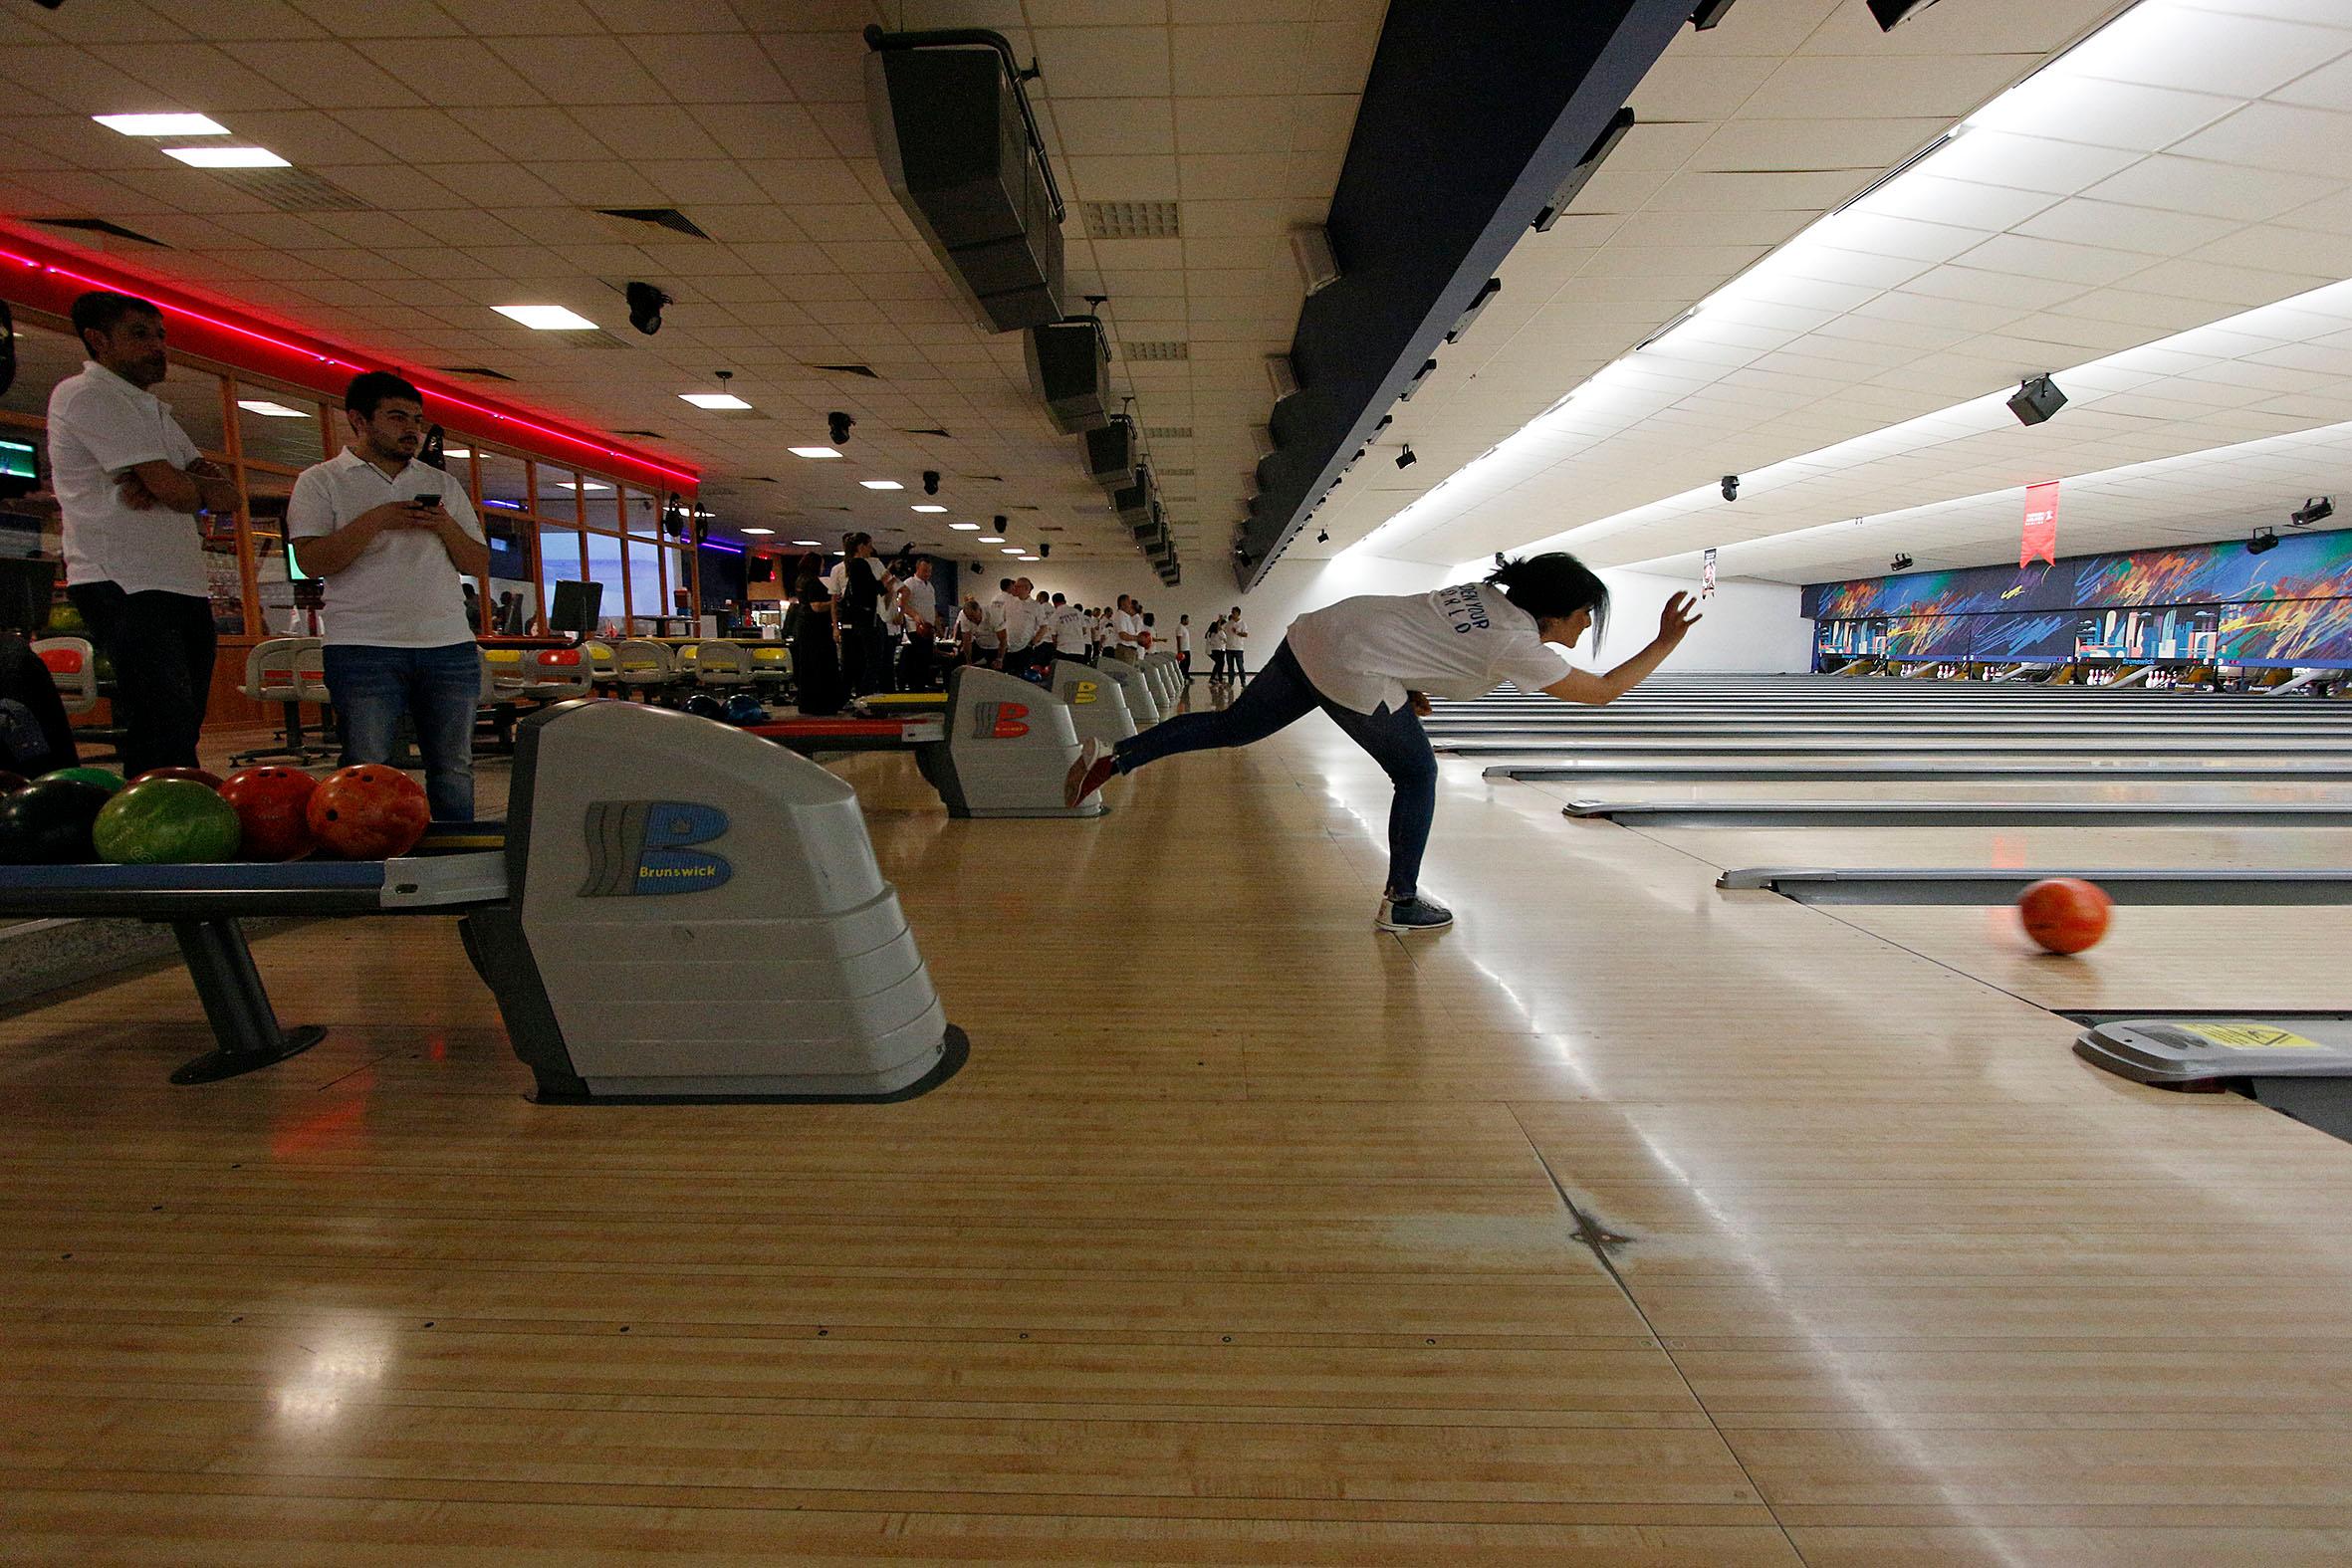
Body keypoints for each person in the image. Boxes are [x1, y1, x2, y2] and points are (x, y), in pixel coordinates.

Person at [1068, 555, 1702, 933]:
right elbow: (1600, 691)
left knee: (1233, 726)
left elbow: (1421, 636)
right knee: (1417, 775)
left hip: (1323, 631)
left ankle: (1114, 756)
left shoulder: (1481, 599)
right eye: (1585, 613)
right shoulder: (1516, 641)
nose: (1587, 624)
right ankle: (1401, 902)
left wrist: (1407, 686)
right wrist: (1666, 640)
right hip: (1353, 664)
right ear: (1558, 612)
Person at [47, 290, 242, 778]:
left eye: (160, 335)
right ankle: (159, 822)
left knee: (185, 716)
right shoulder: (87, 394)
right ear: (98, 340)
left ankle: (181, 804)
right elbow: (180, 492)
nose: (157, 346)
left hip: (180, 580)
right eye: (139, 335)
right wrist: (173, 483)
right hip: (122, 579)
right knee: (162, 717)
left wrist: (170, 481)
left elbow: (226, 496)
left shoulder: (154, 410)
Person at [289, 370, 489, 821]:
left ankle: (457, 857)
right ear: (359, 421)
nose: (411, 429)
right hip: (363, 645)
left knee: (454, 766)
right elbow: (312, 561)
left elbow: (476, 562)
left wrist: (445, 526)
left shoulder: (442, 485)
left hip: (447, 645)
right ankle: (368, 857)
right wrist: (376, 519)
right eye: (397, 417)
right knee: (367, 766)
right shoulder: (321, 482)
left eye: (416, 419)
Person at [789, 552, 844, 715]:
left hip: (805, 628)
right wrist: (834, 602)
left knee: (808, 667)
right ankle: (823, 704)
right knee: (822, 666)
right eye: (821, 564)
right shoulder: (813, 583)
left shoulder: (800, 580)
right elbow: (817, 606)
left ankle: (808, 703)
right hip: (817, 630)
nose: (823, 567)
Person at [894, 556, 939, 689]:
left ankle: (922, 683)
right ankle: (915, 685)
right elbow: (902, 604)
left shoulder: (930, 586)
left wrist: (937, 624)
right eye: (925, 570)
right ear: (917, 569)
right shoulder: (909, 584)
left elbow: (932, 606)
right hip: (915, 628)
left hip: (928, 628)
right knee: (917, 659)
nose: (927, 574)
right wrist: (915, 615)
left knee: (926, 658)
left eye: (929, 571)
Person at [1050, 591, 1089, 669]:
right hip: (1079, 649)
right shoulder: (1077, 612)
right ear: (1065, 601)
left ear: (1054, 603)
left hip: (1064, 649)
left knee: (1064, 674)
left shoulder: (1054, 616)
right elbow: (1084, 631)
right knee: (1076, 675)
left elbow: (1054, 637)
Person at [1226, 605, 1250, 680]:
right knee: (1230, 667)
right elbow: (1221, 629)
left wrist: (1236, 632)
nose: (1232, 614)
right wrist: (1220, 620)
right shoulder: (1229, 623)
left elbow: (1245, 634)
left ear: (1238, 614)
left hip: (1238, 648)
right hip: (1229, 648)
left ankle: (1243, 682)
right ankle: (1230, 682)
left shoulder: (1243, 623)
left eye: (1234, 613)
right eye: (1232, 612)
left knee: (1240, 666)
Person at [1176, 614, 1193, 680]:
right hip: (1183, 649)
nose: (1188, 621)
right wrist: (1179, 650)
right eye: (1187, 620)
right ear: (1183, 620)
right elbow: (1178, 639)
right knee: (1183, 664)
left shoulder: (1183, 628)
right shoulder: (1180, 628)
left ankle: (1185, 675)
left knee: (1187, 663)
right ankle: (1181, 676)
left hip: (1186, 648)